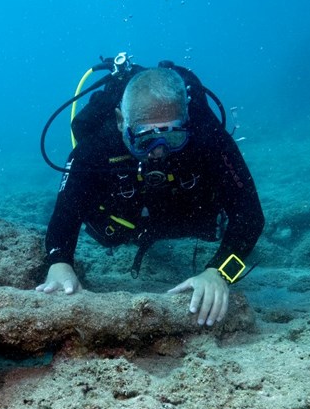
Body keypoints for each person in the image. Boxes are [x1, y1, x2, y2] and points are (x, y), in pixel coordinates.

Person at [36, 66, 264, 327]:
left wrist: (220, 273)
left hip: (187, 214)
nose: (159, 152)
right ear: (122, 121)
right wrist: (59, 261)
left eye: (173, 136)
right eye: (145, 140)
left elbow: (251, 216)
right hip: (125, 223)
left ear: (186, 120)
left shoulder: (208, 138)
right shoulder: (96, 148)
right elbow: (66, 213)